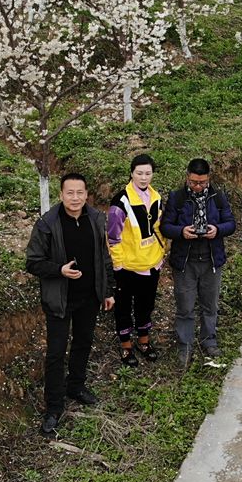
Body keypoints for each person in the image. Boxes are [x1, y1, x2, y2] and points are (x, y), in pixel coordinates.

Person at [24, 173, 115, 436]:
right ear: (61, 194)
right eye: (69, 193)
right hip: (59, 300)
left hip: (89, 297)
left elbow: (104, 257)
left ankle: (76, 385)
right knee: (55, 353)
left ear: (87, 194)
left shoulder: (96, 219)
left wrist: (107, 290)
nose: (75, 198)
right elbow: (33, 261)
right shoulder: (47, 224)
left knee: (84, 342)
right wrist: (59, 270)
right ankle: (53, 406)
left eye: (80, 193)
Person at [161, 158, 237, 368]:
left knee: (210, 304)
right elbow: (165, 226)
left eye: (202, 182)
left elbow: (231, 223)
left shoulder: (218, 196)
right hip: (185, 261)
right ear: (187, 178)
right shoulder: (177, 198)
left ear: (209, 179)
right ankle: (185, 344)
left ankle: (208, 340)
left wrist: (218, 230)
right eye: (194, 182)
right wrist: (181, 232)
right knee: (184, 306)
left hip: (212, 259)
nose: (198, 186)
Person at [108, 154, 166, 368]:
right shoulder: (120, 202)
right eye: (139, 173)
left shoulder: (156, 197)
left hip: (152, 263)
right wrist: (118, 264)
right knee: (123, 306)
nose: (143, 177)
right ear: (131, 173)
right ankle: (126, 345)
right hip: (128, 267)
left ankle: (143, 341)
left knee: (146, 304)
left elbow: (158, 228)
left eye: (148, 173)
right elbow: (113, 237)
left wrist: (161, 252)